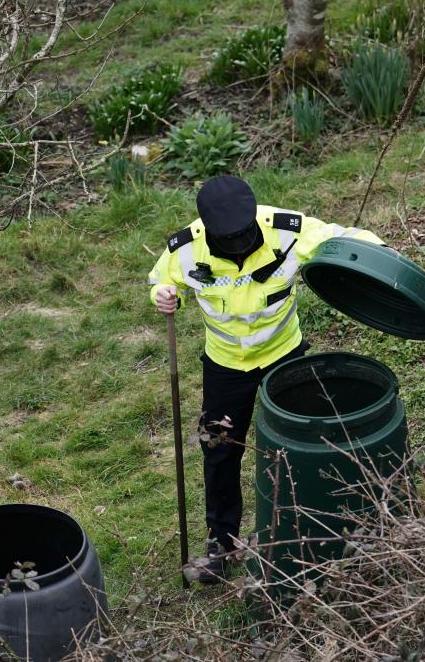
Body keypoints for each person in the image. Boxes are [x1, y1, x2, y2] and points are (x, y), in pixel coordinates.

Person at [147, 174, 381, 582]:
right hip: (225, 366)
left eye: (244, 236)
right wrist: (163, 295)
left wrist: (379, 260)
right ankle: (222, 544)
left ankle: (304, 528)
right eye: (228, 241)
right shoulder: (185, 248)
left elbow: (349, 239)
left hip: (284, 355)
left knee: (300, 442)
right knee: (219, 451)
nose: (239, 246)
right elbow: (162, 280)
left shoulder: (287, 232)